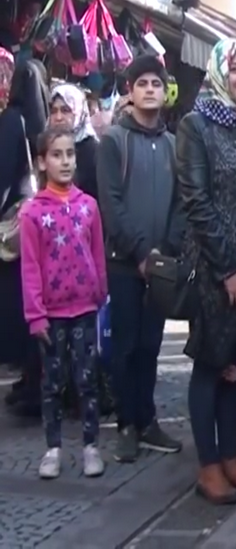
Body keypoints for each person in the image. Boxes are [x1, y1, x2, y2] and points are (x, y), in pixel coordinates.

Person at [177, 38, 236, 505]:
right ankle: (208, 465)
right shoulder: (195, 126)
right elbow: (196, 202)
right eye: (235, 69)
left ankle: (231, 454)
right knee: (211, 363)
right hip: (214, 267)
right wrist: (227, 269)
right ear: (219, 72)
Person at [99, 55, 185, 462]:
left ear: (165, 92)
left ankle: (148, 420)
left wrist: (165, 249)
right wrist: (139, 252)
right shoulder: (114, 141)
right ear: (130, 91)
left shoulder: (172, 145)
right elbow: (111, 203)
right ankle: (126, 424)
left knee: (151, 345)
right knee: (126, 346)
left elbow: (181, 202)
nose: (150, 90)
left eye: (156, 84)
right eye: (142, 84)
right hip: (124, 262)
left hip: (161, 265)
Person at [20, 126, 108, 480]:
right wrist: (35, 314)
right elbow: (29, 266)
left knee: (87, 380)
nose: (66, 161)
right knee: (52, 383)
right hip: (51, 314)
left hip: (85, 309)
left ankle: (91, 445)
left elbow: (97, 254)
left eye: (70, 154)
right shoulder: (32, 213)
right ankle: (53, 447)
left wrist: (100, 293)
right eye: (57, 155)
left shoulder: (89, 206)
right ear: (42, 162)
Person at [0, 56, 49, 416]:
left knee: (16, 306)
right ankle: (34, 381)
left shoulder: (11, 120)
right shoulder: (43, 123)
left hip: (12, 229)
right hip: (35, 225)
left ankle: (30, 383)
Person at [47, 83, 98, 198]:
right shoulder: (47, 146)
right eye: (54, 111)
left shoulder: (93, 150)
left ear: (79, 111)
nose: (58, 117)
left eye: (65, 110)